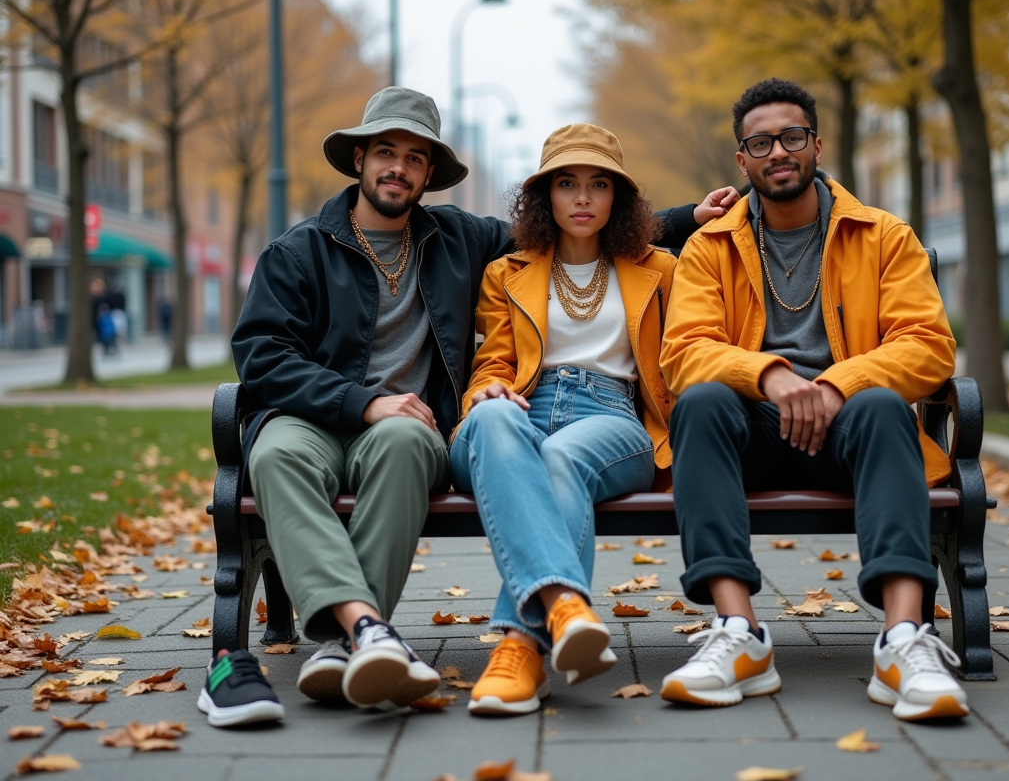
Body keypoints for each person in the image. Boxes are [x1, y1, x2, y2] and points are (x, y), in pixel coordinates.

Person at [206, 86, 738, 728]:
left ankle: (502, 636)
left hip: (434, 424)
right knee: (283, 453)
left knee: (421, 445)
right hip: (318, 416)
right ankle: (361, 630)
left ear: (430, 174)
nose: (397, 167)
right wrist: (369, 401)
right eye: (384, 152)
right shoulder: (298, 252)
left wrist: (687, 217)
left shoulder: (456, 238)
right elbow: (260, 356)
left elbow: (582, 228)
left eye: (413, 157)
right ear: (359, 160)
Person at [658, 79, 968, 721]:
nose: (778, 151)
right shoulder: (709, 247)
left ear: (817, 146)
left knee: (883, 406)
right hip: (752, 432)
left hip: (848, 428)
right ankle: (740, 636)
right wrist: (771, 376)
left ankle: (904, 639)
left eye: (792, 137)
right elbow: (685, 350)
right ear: (741, 160)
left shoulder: (882, 236)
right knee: (700, 403)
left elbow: (929, 346)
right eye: (761, 141)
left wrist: (836, 384)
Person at [450, 124, 675, 717]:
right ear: (545, 196)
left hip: (612, 417)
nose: (581, 198)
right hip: (520, 410)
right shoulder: (507, 273)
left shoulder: (660, 269)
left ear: (616, 198)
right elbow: (493, 360)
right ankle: (564, 606)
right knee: (496, 417)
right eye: (567, 184)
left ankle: (520, 644)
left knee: (562, 458)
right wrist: (486, 388)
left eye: (598, 184)